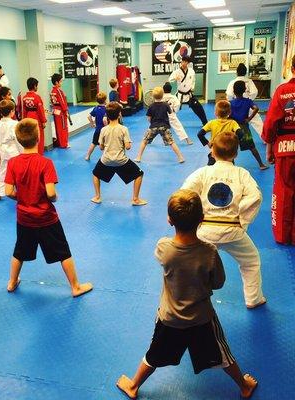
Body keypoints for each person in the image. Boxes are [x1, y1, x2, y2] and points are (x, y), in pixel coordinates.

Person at [116, 189, 258, 400]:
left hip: (170, 318)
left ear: (169, 220)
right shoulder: (209, 252)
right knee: (223, 354)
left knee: (154, 354)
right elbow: (218, 283)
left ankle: (134, 385)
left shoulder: (164, 248)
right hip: (201, 318)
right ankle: (244, 386)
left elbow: (168, 260)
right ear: (202, 219)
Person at [4, 118, 93, 297]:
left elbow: (7, 191)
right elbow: (51, 193)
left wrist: (23, 198)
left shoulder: (13, 163)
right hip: (46, 217)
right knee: (63, 251)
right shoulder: (45, 163)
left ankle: (12, 282)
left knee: (20, 250)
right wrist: (54, 197)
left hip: (24, 218)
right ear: (38, 138)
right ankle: (75, 287)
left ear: (19, 140)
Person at [182, 131, 265, 308]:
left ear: (212, 151)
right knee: (251, 261)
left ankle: (190, 300)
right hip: (233, 231)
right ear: (236, 153)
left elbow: (184, 195)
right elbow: (256, 196)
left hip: (205, 231)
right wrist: (242, 217)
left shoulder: (203, 172)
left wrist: (188, 220)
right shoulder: (242, 174)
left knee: (195, 265)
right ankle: (253, 299)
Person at [262, 54, 295, 245]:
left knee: (283, 192)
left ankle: (283, 235)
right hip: (285, 146)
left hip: (286, 147)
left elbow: (270, 124)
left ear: (291, 68)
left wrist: (269, 147)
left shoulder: (283, 91)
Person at [91, 102, 147, 206]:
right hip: (121, 161)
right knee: (139, 174)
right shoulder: (123, 129)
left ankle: (97, 197)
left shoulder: (103, 129)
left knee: (95, 174)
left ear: (107, 115)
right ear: (119, 114)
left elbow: (101, 147)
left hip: (106, 160)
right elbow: (128, 147)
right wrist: (127, 143)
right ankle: (135, 199)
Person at [134, 86, 185, 164]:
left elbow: (148, 117)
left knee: (144, 141)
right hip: (164, 127)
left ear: (153, 96)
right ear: (163, 95)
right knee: (172, 142)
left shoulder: (151, 106)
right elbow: (171, 113)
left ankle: (138, 157)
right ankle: (180, 157)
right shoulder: (166, 105)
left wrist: (151, 123)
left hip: (153, 126)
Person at [230, 81, 268, 170]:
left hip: (233, 128)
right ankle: (261, 164)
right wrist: (249, 118)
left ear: (234, 91)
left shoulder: (231, 103)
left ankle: (231, 165)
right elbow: (256, 108)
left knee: (231, 147)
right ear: (244, 90)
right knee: (252, 147)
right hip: (244, 128)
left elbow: (228, 114)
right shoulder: (248, 101)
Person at [0, 100, 22, 201]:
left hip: (3, 150)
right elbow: (18, 139)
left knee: (3, 171)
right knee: (18, 172)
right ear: (12, 111)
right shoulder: (15, 124)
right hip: (14, 151)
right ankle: (21, 191)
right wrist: (23, 152)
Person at [197, 100, 243, 165]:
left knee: (211, 170)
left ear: (215, 113)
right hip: (228, 153)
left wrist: (208, 143)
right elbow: (240, 134)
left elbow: (200, 134)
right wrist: (233, 143)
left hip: (215, 152)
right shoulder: (233, 123)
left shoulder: (211, 123)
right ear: (229, 112)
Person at [226, 63, 264, 139]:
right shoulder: (249, 81)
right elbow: (254, 92)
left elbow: (229, 95)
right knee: (258, 123)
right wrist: (249, 100)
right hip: (248, 106)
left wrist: (233, 101)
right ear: (245, 72)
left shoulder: (232, 82)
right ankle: (265, 139)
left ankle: (229, 139)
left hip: (235, 106)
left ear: (236, 72)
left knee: (231, 123)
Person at [168, 56, 208, 125]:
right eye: (182, 61)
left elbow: (193, 80)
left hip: (189, 95)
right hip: (180, 95)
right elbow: (170, 80)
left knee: (199, 108)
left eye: (185, 62)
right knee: (170, 108)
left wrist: (192, 87)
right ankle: (167, 123)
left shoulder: (191, 71)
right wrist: (175, 78)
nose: (183, 63)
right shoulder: (177, 72)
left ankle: (205, 123)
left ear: (188, 63)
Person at [21, 77, 47, 155]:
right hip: (36, 117)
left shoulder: (24, 97)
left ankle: (31, 152)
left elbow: (24, 110)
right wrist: (43, 121)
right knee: (39, 136)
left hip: (28, 117)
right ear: (35, 86)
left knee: (30, 136)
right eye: (37, 85)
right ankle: (39, 153)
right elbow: (40, 110)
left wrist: (24, 120)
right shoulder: (37, 97)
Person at [85, 91, 107, 161]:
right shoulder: (107, 109)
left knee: (94, 143)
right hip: (104, 130)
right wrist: (107, 127)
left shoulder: (96, 108)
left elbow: (89, 116)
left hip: (97, 130)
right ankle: (106, 158)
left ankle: (87, 156)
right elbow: (105, 120)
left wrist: (92, 123)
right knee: (106, 144)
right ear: (105, 100)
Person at [50, 73, 70, 148]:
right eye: (60, 81)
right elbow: (62, 102)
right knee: (63, 127)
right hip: (61, 111)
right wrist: (66, 111)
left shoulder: (52, 91)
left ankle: (60, 142)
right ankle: (64, 144)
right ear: (56, 82)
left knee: (58, 127)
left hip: (55, 110)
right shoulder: (58, 91)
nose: (61, 83)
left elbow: (52, 102)